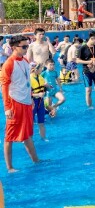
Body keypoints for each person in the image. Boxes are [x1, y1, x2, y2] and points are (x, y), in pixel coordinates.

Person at [0, 35, 40, 172]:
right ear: (13, 48)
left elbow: (26, 82)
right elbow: (4, 86)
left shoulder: (25, 60)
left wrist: (30, 97)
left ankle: (36, 160)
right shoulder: (8, 64)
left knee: (27, 133)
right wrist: (7, 108)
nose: (26, 49)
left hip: (26, 102)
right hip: (14, 103)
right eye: (23, 46)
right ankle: (10, 167)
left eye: (27, 46)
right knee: (9, 136)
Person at [30, 63, 50, 141]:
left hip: (40, 102)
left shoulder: (40, 77)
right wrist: (37, 94)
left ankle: (43, 137)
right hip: (32, 102)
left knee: (41, 122)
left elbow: (43, 88)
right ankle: (29, 139)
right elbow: (27, 94)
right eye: (40, 68)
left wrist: (47, 86)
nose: (42, 70)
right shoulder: (29, 79)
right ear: (35, 69)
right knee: (30, 123)